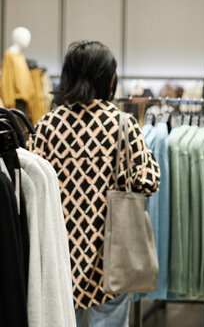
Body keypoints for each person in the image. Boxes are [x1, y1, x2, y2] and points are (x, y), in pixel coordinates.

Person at [29, 40, 160, 327]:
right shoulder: (122, 125)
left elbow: (30, 186)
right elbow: (149, 180)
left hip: (58, 255)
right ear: (109, 79)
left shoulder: (48, 125)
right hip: (110, 257)